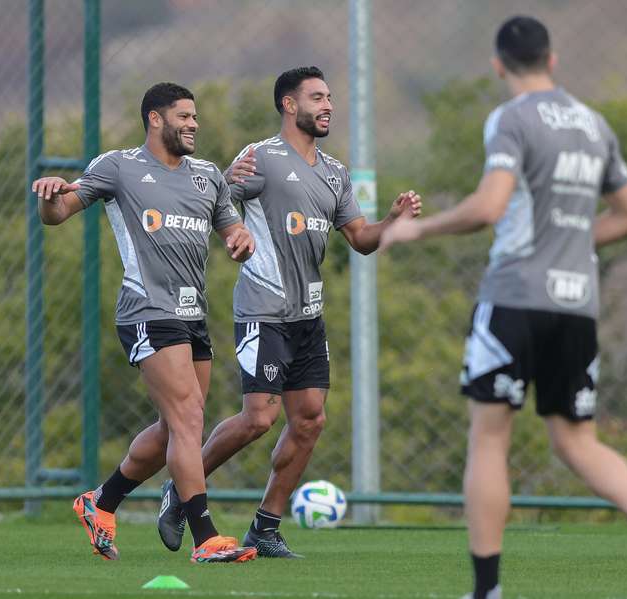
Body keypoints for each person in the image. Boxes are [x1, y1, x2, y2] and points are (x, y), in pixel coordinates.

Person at [379, 16, 627, 599]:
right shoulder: (594, 125)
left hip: (516, 297)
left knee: (489, 440)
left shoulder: (511, 118)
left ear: (499, 65)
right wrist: (569, 244)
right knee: (578, 441)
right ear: (553, 59)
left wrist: (416, 233)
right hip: (578, 305)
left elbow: (490, 206)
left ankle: (488, 589)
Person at [156, 66, 422, 559]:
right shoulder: (260, 159)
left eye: (330, 97)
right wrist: (227, 198)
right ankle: (182, 488)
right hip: (263, 309)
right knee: (259, 418)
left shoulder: (335, 173)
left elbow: (362, 240)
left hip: (307, 318)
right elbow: (212, 203)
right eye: (317, 97)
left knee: (310, 420)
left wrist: (392, 220)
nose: (328, 106)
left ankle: (266, 527)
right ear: (289, 105)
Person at [32, 82, 258, 564]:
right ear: (155, 119)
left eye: (195, 117)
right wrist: (49, 197)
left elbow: (230, 226)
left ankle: (101, 501)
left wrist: (241, 238)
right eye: (183, 116)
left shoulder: (208, 176)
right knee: (188, 418)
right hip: (147, 311)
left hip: (193, 314)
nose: (193, 124)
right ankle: (206, 537)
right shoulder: (119, 166)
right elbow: (59, 214)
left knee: (171, 429)